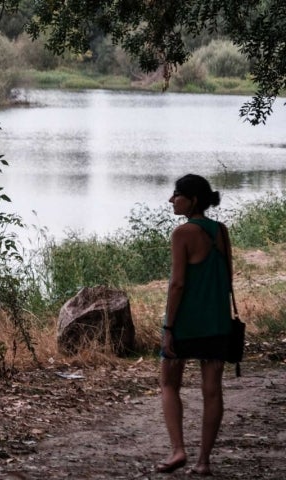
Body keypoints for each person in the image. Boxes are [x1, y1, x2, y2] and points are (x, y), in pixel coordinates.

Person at [157, 174, 233, 476]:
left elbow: (177, 285)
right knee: (212, 391)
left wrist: (169, 328)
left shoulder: (182, 233)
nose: (171, 200)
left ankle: (178, 451)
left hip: (186, 324)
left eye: (177, 195)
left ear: (193, 200)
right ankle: (204, 461)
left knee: (168, 384)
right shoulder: (221, 232)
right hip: (217, 323)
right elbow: (227, 279)